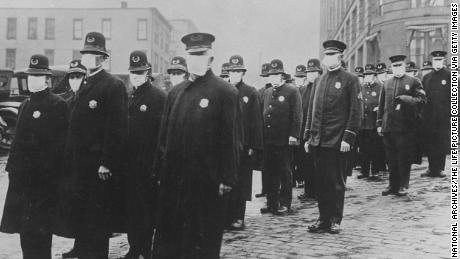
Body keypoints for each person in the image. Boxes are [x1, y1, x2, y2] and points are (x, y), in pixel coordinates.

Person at [152, 32, 239, 259]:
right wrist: (159, 172)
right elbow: (164, 138)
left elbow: (230, 138)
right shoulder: (175, 93)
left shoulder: (224, 92)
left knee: (202, 240)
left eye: (201, 54)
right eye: (191, 55)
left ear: (211, 57)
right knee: (171, 239)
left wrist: (227, 177)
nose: (195, 59)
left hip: (206, 181)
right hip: (174, 181)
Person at [62, 32, 129, 259]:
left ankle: (95, 255)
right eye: (87, 54)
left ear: (103, 58)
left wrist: (107, 162)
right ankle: (81, 251)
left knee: (97, 218)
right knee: (82, 213)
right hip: (79, 164)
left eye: (95, 54)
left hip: (97, 166)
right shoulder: (85, 83)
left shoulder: (112, 85)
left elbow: (117, 128)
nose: (90, 58)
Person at [0, 54, 68, 259]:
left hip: (43, 185)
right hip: (22, 183)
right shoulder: (25, 105)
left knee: (41, 234)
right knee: (25, 234)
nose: (33, 80)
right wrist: (12, 171)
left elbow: (59, 148)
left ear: (47, 78)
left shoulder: (57, 105)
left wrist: (48, 178)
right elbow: (17, 143)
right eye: (31, 76)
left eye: (38, 76)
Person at [304, 40, 361, 234]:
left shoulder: (350, 80)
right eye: (326, 55)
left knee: (336, 182)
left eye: (331, 55)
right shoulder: (320, 80)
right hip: (318, 141)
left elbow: (356, 111)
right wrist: (308, 136)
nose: (327, 59)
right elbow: (312, 111)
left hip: (337, 141)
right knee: (321, 183)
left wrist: (348, 137)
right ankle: (323, 218)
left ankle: (335, 219)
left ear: (340, 57)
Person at [121, 51, 167, 259]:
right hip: (129, 164)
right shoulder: (130, 95)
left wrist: (157, 164)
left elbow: (161, 134)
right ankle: (134, 247)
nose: (136, 76)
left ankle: (146, 249)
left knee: (146, 208)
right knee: (131, 208)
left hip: (148, 164)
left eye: (140, 72)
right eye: (133, 72)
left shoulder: (157, 97)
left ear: (148, 72)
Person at [377, 54, 426, 196]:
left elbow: (422, 100)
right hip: (388, 126)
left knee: (403, 157)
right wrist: (379, 123)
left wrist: (408, 99)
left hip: (405, 127)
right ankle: (393, 185)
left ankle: (403, 185)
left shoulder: (413, 81)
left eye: (400, 65)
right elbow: (381, 105)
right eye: (394, 66)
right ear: (391, 68)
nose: (397, 68)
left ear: (404, 66)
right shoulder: (387, 83)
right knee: (391, 158)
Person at [260, 59, 302, 215]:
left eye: (276, 74)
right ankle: (271, 202)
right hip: (269, 140)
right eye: (271, 75)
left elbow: (297, 115)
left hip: (284, 140)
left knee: (285, 172)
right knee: (270, 172)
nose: (274, 78)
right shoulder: (267, 92)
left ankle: (285, 203)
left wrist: (294, 135)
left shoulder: (292, 91)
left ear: (282, 76)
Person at [226, 54, 263, 230]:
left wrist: (253, 146)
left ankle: (238, 216)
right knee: (226, 180)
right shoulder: (223, 91)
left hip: (244, 146)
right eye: (231, 71)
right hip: (226, 146)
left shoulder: (250, 92)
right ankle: (226, 215)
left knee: (242, 182)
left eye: (237, 71)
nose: (234, 74)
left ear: (242, 73)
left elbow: (256, 121)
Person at [420, 50, 450, 178]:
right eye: (435, 60)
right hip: (429, 116)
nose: (437, 62)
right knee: (430, 141)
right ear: (432, 61)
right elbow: (422, 97)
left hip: (444, 116)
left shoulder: (449, 75)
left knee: (441, 141)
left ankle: (440, 168)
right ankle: (431, 168)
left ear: (443, 61)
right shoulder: (427, 78)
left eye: (440, 60)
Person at [297, 58, 321, 201]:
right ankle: (308, 191)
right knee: (305, 163)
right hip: (304, 132)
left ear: (319, 72)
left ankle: (318, 191)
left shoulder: (322, 88)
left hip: (318, 132)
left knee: (317, 164)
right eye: (309, 72)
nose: (311, 74)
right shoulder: (302, 90)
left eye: (314, 72)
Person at [357, 64, 385, 179]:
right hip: (363, 124)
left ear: (374, 76)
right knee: (363, 149)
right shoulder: (361, 87)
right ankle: (364, 171)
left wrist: (379, 108)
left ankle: (375, 171)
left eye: (370, 75)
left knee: (375, 149)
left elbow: (384, 103)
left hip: (374, 123)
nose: (368, 77)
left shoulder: (381, 87)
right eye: (366, 75)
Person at [255, 62, 271, 198]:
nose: (266, 78)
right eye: (264, 76)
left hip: (276, 134)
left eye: (268, 75)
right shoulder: (260, 92)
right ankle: (265, 189)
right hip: (263, 132)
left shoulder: (278, 90)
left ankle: (274, 191)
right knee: (264, 164)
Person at [292, 64, 307, 189]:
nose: (299, 80)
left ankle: (301, 178)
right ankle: (293, 178)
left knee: (302, 156)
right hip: (293, 129)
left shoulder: (307, 89)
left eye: (302, 77)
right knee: (293, 156)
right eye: (297, 77)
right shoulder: (291, 90)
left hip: (304, 129)